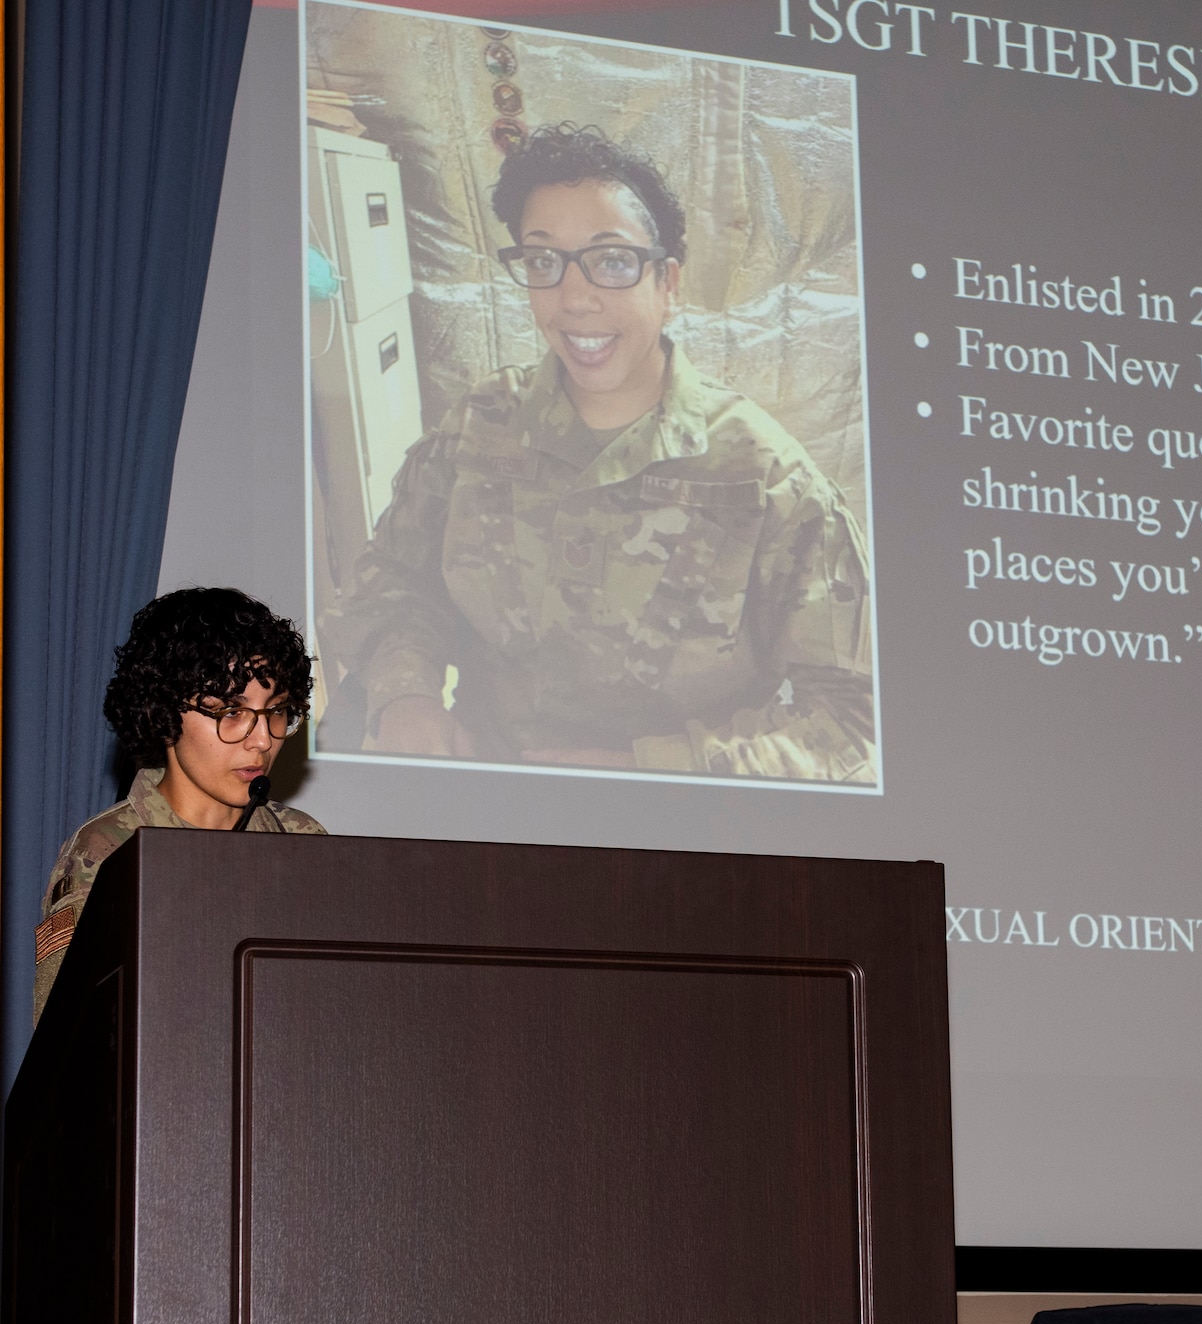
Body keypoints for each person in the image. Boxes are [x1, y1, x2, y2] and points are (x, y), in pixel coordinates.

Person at [321, 125, 875, 781]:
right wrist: (406, 695)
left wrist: (651, 769)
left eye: (612, 261)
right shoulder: (478, 427)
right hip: (490, 789)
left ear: (667, 283)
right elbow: (396, 579)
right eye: (542, 261)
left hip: (674, 828)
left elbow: (855, 720)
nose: (575, 298)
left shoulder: (765, 479)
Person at [35, 588, 326, 1024]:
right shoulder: (106, 853)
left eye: (278, 711)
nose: (263, 739)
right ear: (164, 715)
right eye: (231, 712)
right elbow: (62, 1039)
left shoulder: (305, 843)